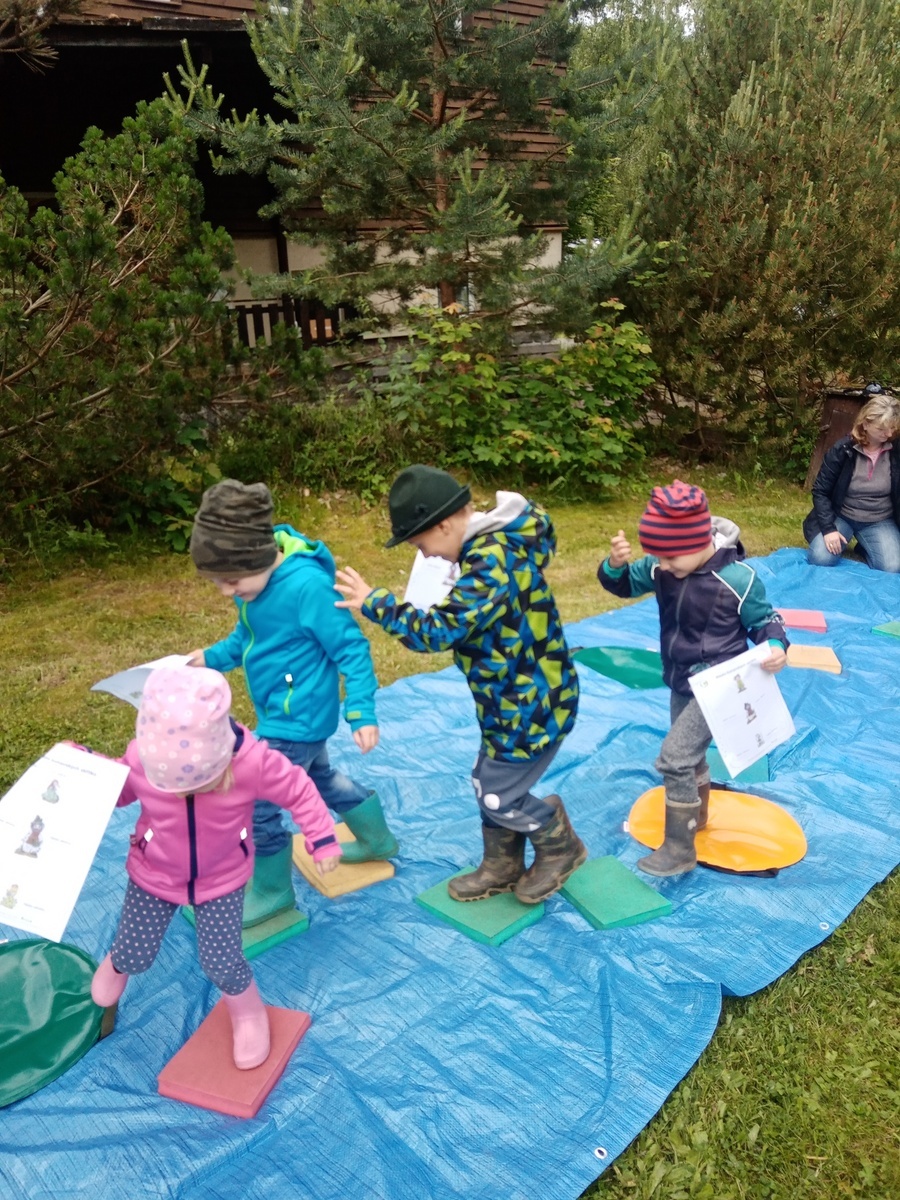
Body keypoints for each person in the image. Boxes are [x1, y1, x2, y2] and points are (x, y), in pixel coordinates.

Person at [335, 464, 587, 905]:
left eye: (422, 545)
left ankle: (560, 844)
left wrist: (376, 603)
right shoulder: (492, 550)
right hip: (510, 698)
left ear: (444, 525)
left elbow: (438, 632)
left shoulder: (490, 563)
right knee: (486, 780)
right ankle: (503, 864)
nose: (427, 556)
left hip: (532, 703)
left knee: (497, 793)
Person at [90, 666, 341, 1069]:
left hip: (221, 879)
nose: (184, 793)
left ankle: (248, 1013)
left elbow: (298, 789)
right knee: (135, 949)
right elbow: (118, 793)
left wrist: (322, 836)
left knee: (221, 961)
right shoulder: (141, 759)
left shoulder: (251, 763)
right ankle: (120, 964)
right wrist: (86, 771)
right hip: (153, 872)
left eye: (196, 784)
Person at [187, 480, 398, 929]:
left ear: (258, 558)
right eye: (218, 582)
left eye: (231, 581)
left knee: (256, 800)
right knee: (319, 777)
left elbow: (351, 648)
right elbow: (249, 638)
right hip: (285, 714)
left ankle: (273, 891)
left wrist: (361, 710)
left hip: (296, 719)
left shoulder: (307, 588)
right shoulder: (255, 588)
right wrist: (209, 658)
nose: (226, 592)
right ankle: (377, 839)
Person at [597, 480, 789, 876]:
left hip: (720, 685)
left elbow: (765, 620)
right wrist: (614, 565)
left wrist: (775, 646)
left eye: (669, 557)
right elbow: (623, 584)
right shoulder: (662, 565)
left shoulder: (738, 579)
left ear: (698, 542)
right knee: (691, 756)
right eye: (658, 557)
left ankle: (679, 847)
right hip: (681, 678)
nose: (662, 565)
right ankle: (696, 816)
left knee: (675, 758)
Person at [804, 393, 900, 573]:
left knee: (892, 567)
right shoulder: (843, 449)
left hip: (880, 519)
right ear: (866, 424)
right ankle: (851, 538)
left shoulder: (896, 449)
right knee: (819, 558)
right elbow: (820, 491)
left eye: (892, 428)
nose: (888, 434)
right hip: (842, 516)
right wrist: (829, 529)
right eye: (882, 429)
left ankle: (866, 546)